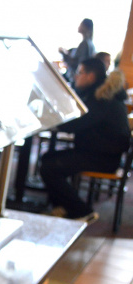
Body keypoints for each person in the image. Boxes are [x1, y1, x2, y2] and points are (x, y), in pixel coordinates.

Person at [39, 57, 130, 222]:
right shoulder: (99, 93)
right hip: (99, 153)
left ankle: (81, 211)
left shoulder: (101, 98)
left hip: (103, 158)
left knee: (50, 167)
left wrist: (51, 119)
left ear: (91, 76)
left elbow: (74, 125)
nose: (75, 77)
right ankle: (63, 207)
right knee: (48, 158)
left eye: (79, 73)